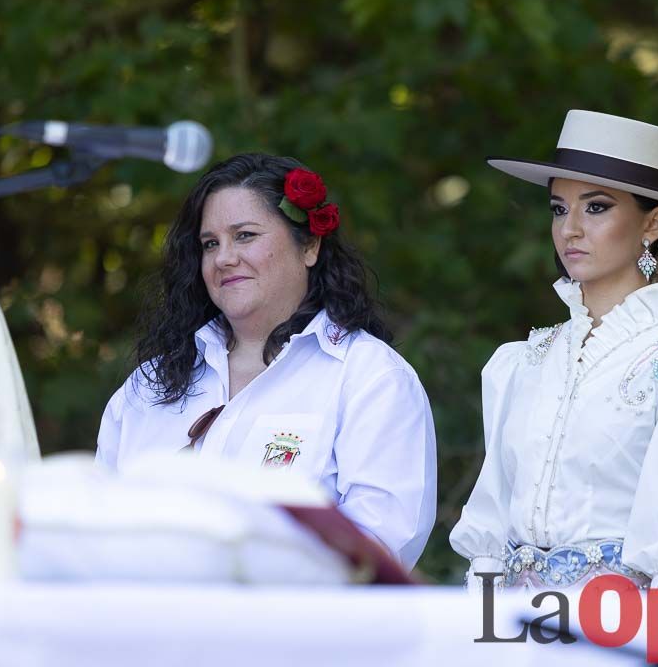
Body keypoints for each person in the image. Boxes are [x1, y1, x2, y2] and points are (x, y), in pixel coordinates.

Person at [449, 110, 658, 592]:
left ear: (654, 222)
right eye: (558, 208)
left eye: (595, 207)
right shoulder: (525, 362)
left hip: (621, 634)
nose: (570, 228)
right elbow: (490, 530)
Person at [95, 153, 436, 570]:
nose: (223, 258)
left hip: (290, 629)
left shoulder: (369, 377)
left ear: (309, 245)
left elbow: (379, 546)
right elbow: (97, 527)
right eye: (210, 244)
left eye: (245, 236)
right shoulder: (148, 385)